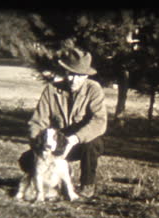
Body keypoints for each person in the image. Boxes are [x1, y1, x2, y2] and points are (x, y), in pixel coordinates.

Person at [19, 48, 107, 198]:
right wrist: (38, 146)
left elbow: (99, 121)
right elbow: (37, 121)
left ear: (86, 75)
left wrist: (74, 139)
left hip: (81, 143)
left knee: (93, 144)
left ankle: (87, 185)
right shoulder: (51, 90)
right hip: (56, 143)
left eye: (80, 75)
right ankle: (49, 184)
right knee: (26, 160)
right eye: (71, 74)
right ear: (65, 73)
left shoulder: (94, 89)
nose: (74, 79)